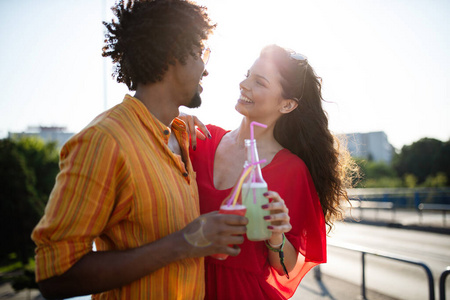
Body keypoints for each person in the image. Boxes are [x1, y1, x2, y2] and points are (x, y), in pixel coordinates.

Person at [31, 1, 248, 299]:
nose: (205, 70)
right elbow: (55, 275)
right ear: (174, 53)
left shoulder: (182, 136)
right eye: (200, 53)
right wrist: (184, 243)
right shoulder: (105, 140)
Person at [183, 44, 355, 299]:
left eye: (259, 82)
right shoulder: (199, 139)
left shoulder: (291, 170)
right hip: (183, 287)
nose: (244, 84)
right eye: (247, 75)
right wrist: (171, 123)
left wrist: (276, 236)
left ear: (286, 105)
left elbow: (285, 267)